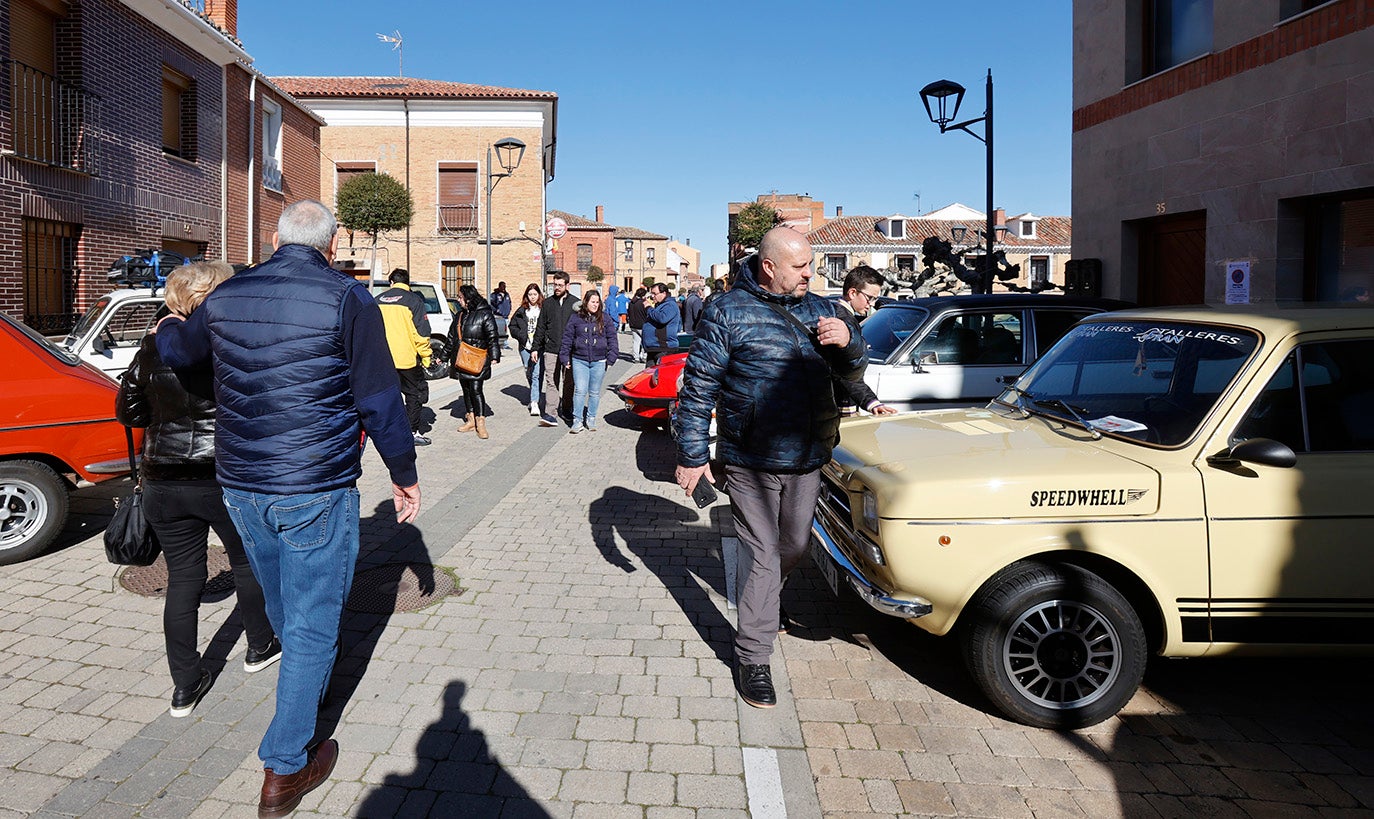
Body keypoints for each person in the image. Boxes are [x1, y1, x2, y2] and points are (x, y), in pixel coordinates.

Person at [155, 199, 421, 818]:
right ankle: (286, 764)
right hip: (313, 487)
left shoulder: (228, 295)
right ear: (333, 246)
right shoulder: (347, 297)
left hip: (244, 486)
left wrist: (168, 320)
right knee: (309, 624)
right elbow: (380, 398)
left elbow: (178, 350)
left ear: (275, 238)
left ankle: (295, 701)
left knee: (283, 606)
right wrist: (403, 475)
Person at [673, 227, 866, 710]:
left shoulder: (824, 310)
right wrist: (692, 455)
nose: (810, 274)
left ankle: (765, 602)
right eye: (801, 267)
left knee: (794, 544)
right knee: (761, 556)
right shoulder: (726, 311)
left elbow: (852, 375)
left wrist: (851, 341)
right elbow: (697, 388)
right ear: (770, 267)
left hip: (807, 455)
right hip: (750, 458)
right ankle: (753, 656)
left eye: (811, 266)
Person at [116, 261, 280, 720]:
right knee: (246, 561)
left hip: (164, 478)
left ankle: (185, 684)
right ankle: (259, 646)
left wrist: (164, 419)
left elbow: (128, 410)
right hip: (222, 474)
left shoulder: (151, 347)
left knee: (184, 578)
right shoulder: (229, 343)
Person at [376, 268, 434, 445]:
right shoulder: (414, 300)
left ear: (391, 283)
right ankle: (412, 433)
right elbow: (421, 333)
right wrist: (426, 357)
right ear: (407, 283)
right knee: (414, 395)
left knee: (387, 396)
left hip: (383, 360)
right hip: (406, 360)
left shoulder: (377, 300)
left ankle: (387, 431)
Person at [834, 265, 897, 417]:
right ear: (852, 292)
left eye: (875, 299)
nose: (872, 304)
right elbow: (845, 370)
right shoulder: (843, 321)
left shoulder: (841, 315)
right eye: (870, 298)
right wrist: (871, 402)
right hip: (842, 405)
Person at [558, 289, 620, 433]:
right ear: (585, 302)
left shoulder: (605, 318)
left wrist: (612, 357)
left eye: (597, 302)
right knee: (580, 390)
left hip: (599, 361)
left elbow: (612, 339)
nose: (595, 305)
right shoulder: (575, 318)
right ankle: (577, 420)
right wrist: (565, 357)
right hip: (579, 360)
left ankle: (591, 418)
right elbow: (567, 338)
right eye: (592, 302)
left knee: (594, 392)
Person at [449, 283, 501, 440]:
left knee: (476, 390)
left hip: (478, 359)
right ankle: (470, 419)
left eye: (460, 297)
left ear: (468, 298)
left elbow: (492, 337)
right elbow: (451, 338)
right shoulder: (460, 315)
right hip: (462, 360)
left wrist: (494, 356)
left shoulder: (485, 314)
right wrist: (442, 357)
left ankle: (480, 421)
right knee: (465, 389)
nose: (458, 300)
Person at [533, 271, 580, 426]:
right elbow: (541, 327)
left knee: (569, 382)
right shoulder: (547, 303)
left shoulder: (576, 304)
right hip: (551, 349)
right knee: (551, 382)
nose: (557, 288)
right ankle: (550, 414)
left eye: (560, 285)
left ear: (567, 285)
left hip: (570, 351)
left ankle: (567, 409)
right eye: (555, 285)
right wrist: (535, 348)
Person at [507, 283, 544, 416]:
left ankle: (534, 402)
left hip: (539, 347)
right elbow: (512, 326)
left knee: (536, 373)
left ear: (539, 295)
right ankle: (536, 394)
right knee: (529, 372)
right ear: (526, 296)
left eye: (535, 294)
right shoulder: (522, 310)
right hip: (525, 347)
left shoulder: (543, 309)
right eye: (530, 294)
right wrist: (521, 336)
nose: (532, 297)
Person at [644, 283, 682, 366]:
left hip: (664, 347)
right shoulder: (660, 305)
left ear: (664, 293)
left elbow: (662, 318)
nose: (653, 296)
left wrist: (648, 308)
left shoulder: (670, 305)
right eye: (652, 294)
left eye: (655, 294)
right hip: (654, 347)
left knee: (661, 375)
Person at [626, 287, 649, 363]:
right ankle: (644, 356)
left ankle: (636, 357)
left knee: (636, 341)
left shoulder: (631, 303)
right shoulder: (643, 303)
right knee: (644, 341)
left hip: (633, 325)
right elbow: (647, 313)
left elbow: (628, 313)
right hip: (642, 325)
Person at [488, 280, 512, 349]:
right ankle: (500, 344)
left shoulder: (507, 295)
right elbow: (490, 303)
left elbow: (509, 303)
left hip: (506, 316)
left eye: (505, 286)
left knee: (505, 331)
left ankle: (505, 344)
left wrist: (509, 309)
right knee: (499, 330)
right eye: (502, 286)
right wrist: (496, 310)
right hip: (498, 316)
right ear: (499, 287)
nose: (504, 288)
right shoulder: (495, 295)